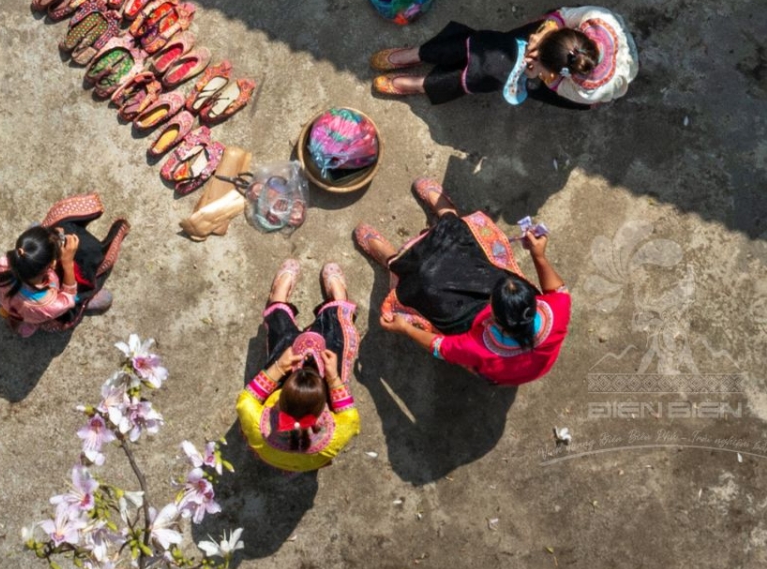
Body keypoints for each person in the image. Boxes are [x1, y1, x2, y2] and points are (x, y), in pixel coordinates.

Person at [356, 178, 571, 386]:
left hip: (477, 335)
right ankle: (447, 216)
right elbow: (558, 290)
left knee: (425, 285)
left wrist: (406, 329)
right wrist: (539, 255)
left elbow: (440, 347)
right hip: (529, 362)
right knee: (471, 253)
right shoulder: (557, 310)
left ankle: (394, 260)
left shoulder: (481, 348)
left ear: (495, 320)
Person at [236, 259, 361, 471]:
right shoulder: (338, 433)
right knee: (336, 342)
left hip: (272, 453)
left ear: (280, 401)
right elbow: (349, 415)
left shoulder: (255, 422)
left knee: (283, 341)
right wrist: (332, 378)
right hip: (309, 458)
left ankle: (278, 300)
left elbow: (247, 398)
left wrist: (279, 367)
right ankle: (338, 305)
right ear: (323, 405)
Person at [369, 12, 606, 108]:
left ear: (552, 73)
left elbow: (562, 90)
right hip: (557, 54)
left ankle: (424, 83)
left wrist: (536, 75)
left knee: (492, 73)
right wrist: (541, 34)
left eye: (537, 59)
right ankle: (420, 53)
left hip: (561, 80)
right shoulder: (594, 19)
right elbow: (561, 15)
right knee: (489, 47)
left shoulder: (584, 92)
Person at [0, 194, 129, 338]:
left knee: (36, 233)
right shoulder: (49, 304)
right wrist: (68, 262)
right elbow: (68, 298)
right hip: (45, 312)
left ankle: (36, 244)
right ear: (51, 264)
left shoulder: (3, 264)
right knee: (81, 295)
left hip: (12, 304)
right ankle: (84, 303)